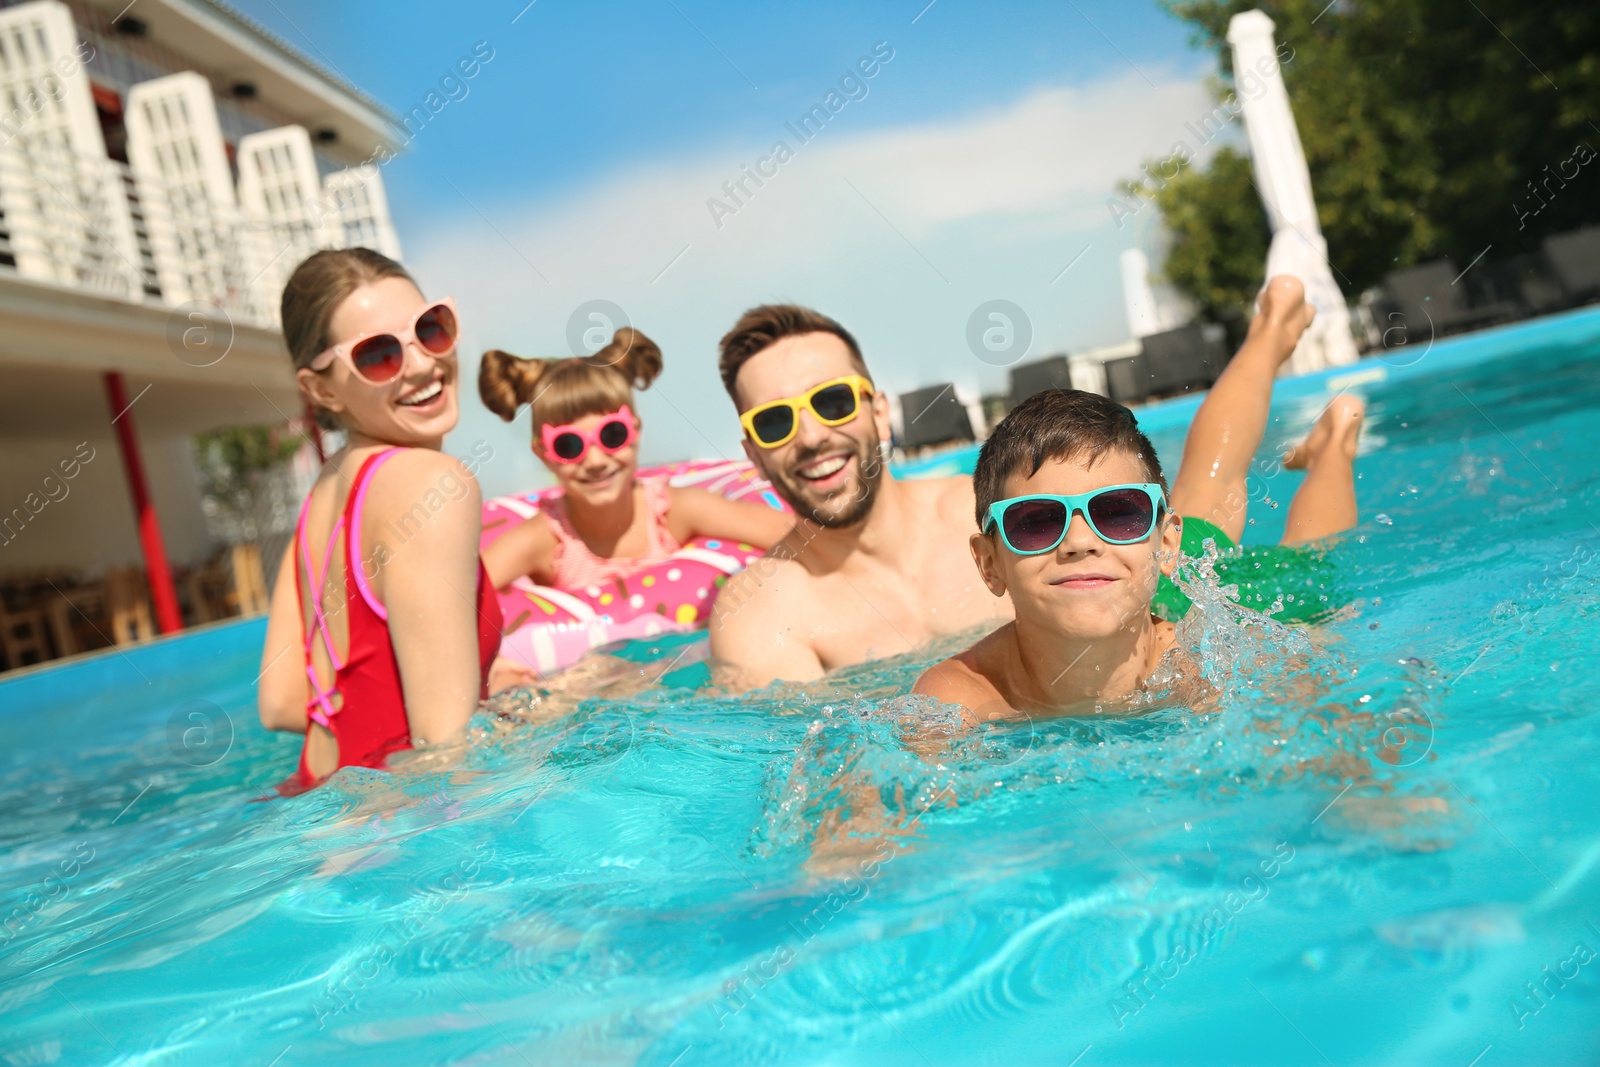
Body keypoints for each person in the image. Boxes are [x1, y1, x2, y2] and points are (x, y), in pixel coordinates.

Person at [914, 276, 1365, 717]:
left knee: (1307, 557)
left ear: (1166, 541)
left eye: (1117, 509)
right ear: (990, 563)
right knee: (1210, 487)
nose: (1079, 541)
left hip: (1165, 581)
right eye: (1036, 521)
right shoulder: (962, 695)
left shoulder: (1217, 660)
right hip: (1126, 563)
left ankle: (1331, 440)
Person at [258, 248, 502, 789]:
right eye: (376, 355)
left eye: (430, 328)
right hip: (388, 840)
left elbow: (279, 703)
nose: (421, 365)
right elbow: (449, 755)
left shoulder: (325, 490)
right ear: (321, 390)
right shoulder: (433, 484)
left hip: (311, 814)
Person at [709, 305, 1013, 687]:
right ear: (754, 455)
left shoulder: (990, 514)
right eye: (774, 422)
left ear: (880, 414)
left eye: (832, 401)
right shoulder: (760, 616)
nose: (812, 437)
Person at [477, 330, 793, 687]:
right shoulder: (547, 537)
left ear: (636, 430)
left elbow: (793, 534)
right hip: (585, 691)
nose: (596, 460)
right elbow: (456, 595)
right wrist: (497, 664)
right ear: (542, 453)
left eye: (612, 435)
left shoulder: (670, 510)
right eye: (569, 445)